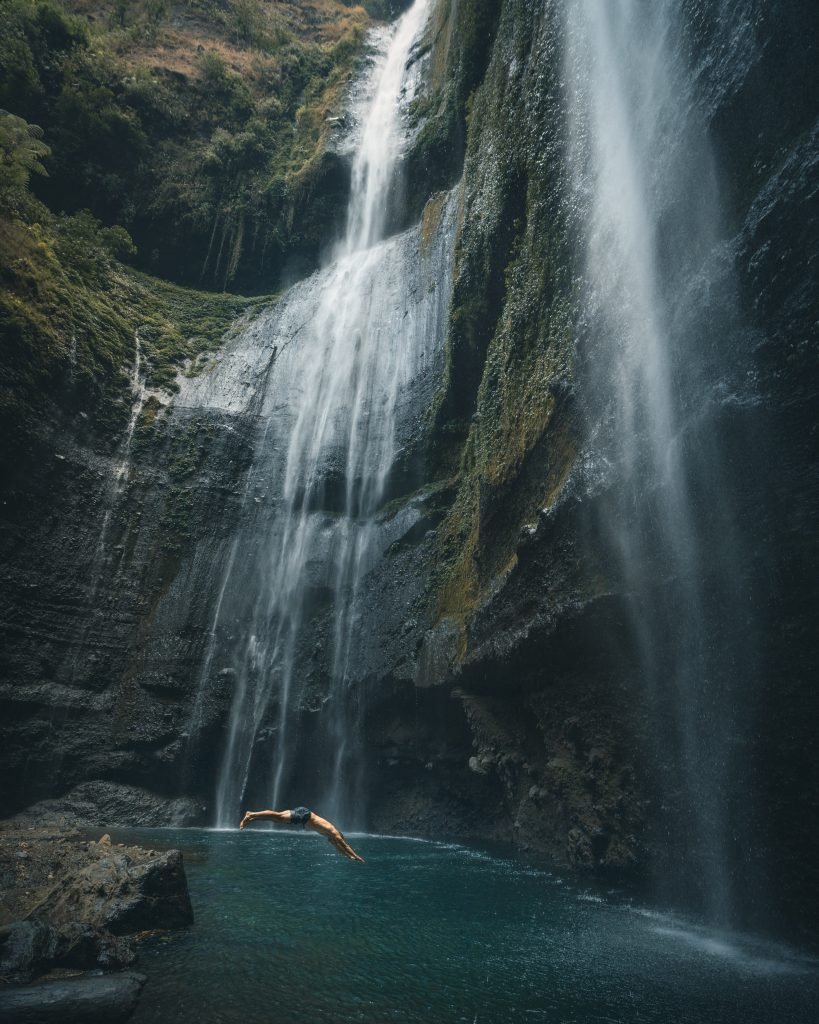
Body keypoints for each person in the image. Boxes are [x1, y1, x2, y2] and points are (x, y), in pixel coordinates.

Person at [239, 806, 364, 862]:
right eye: (336, 841)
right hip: (305, 815)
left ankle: (253, 818)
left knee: (278, 819)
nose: (334, 843)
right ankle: (251, 814)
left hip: (303, 815)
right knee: (278, 816)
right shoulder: (334, 833)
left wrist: (349, 857)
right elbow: (345, 846)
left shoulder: (330, 836)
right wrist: (357, 856)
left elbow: (340, 848)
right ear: (338, 837)